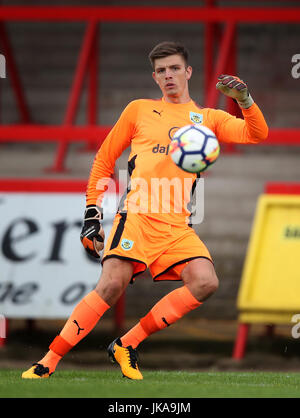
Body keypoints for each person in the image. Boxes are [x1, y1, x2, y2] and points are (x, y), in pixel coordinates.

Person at [22, 41, 268, 380]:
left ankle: (126, 344)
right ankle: (47, 361)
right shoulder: (138, 109)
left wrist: (244, 100)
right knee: (111, 285)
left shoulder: (208, 119)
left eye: (175, 68)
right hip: (136, 216)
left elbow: (257, 134)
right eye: (162, 71)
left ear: (188, 72)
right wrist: (92, 214)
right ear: (155, 77)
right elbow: (104, 160)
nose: (169, 75)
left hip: (177, 226)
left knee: (205, 282)